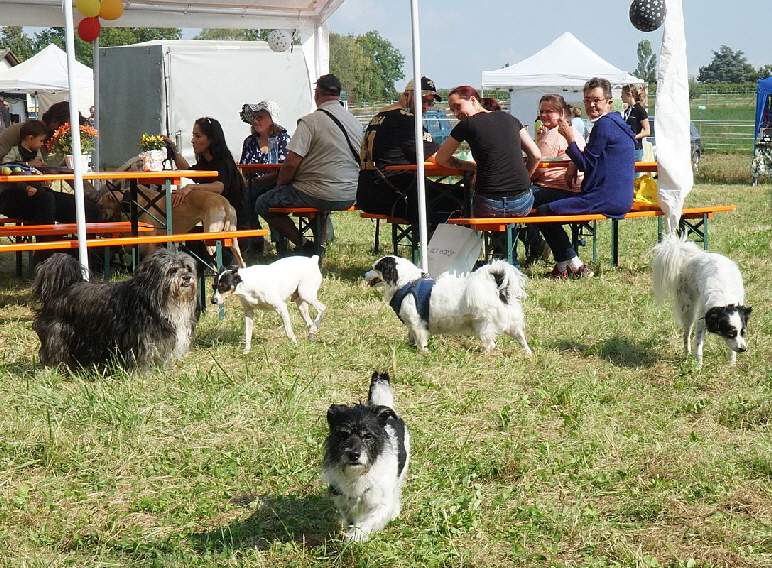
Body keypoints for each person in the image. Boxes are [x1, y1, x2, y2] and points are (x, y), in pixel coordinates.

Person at [536, 77, 636, 279]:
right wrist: (574, 161)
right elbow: (592, 159)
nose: (591, 105)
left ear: (609, 102)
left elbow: (586, 164)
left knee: (544, 211)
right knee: (549, 203)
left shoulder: (604, 125)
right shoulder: (619, 123)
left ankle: (575, 264)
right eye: (587, 100)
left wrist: (569, 138)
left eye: (597, 100)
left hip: (604, 198)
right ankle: (563, 267)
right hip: (622, 198)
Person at [255, 74, 362, 254]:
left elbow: (290, 164)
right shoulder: (354, 121)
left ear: (317, 93)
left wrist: (279, 186)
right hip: (351, 194)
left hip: (318, 193)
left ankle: (305, 245)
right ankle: (319, 244)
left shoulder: (310, 121)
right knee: (316, 200)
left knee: (263, 202)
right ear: (338, 94)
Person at [435, 85, 541, 263]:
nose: (455, 113)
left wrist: (471, 167)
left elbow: (441, 159)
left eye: (457, 107)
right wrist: (525, 178)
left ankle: (496, 260)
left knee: (473, 204)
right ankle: (516, 255)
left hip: (489, 204)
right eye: (452, 110)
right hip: (522, 202)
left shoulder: (466, 125)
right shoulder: (510, 119)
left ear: (473, 100)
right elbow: (536, 155)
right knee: (511, 213)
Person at [357, 75, 461, 225]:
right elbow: (438, 158)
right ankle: (437, 246)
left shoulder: (380, 115)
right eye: (423, 100)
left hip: (368, 192)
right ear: (407, 95)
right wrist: (472, 167)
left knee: (441, 194)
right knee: (462, 197)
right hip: (394, 196)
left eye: (430, 102)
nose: (426, 106)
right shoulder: (405, 120)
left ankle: (430, 241)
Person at [0, 119, 100, 227]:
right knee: (46, 200)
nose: (44, 143)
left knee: (88, 208)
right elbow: (7, 165)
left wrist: (46, 173)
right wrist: (27, 164)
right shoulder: (15, 143)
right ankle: (47, 240)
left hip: (39, 189)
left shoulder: (37, 148)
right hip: (13, 192)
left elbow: (44, 167)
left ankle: (94, 231)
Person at [163, 116, 247, 227]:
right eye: (193, 136)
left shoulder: (222, 161)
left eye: (198, 136)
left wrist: (191, 187)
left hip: (233, 223)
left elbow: (218, 187)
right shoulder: (205, 161)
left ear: (211, 139)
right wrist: (173, 150)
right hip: (215, 221)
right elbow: (188, 171)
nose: (193, 140)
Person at [239, 100, 290, 250]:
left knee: (268, 198)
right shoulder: (250, 141)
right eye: (254, 117)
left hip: (278, 184)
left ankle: (280, 241)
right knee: (242, 196)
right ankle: (255, 240)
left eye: (260, 117)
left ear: (272, 120)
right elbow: (243, 167)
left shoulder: (283, 140)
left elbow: (281, 171)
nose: (255, 120)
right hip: (252, 185)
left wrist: (254, 182)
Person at [621, 84, 650, 162]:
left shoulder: (639, 110)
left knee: (634, 173)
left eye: (622, 94)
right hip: (626, 147)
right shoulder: (628, 111)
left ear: (629, 94)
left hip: (636, 148)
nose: (621, 96)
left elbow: (647, 132)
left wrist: (634, 137)